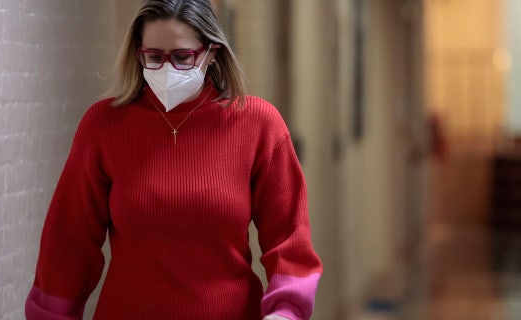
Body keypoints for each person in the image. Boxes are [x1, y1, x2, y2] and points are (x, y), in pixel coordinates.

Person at [24, 0, 323, 319]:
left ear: (212, 53)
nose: (167, 70)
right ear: (137, 53)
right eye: (153, 57)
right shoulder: (104, 126)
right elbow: (68, 245)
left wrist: (286, 312)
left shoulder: (259, 125)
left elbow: (290, 242)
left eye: (182, 57)